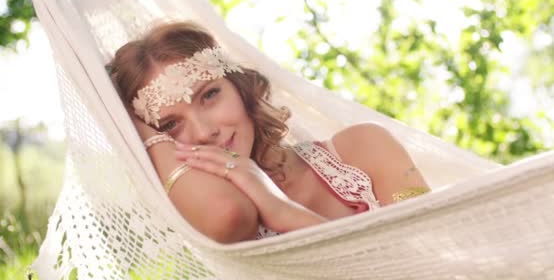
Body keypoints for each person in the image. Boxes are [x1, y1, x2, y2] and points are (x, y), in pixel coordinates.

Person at [107, 21, 430, 243]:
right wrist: (124, 121)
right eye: (170, 125)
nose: (205, 132)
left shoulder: (363, 149)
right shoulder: (220, 216)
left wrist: (282, 211)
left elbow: (430, 251)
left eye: (209, 95)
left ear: (239, 85)